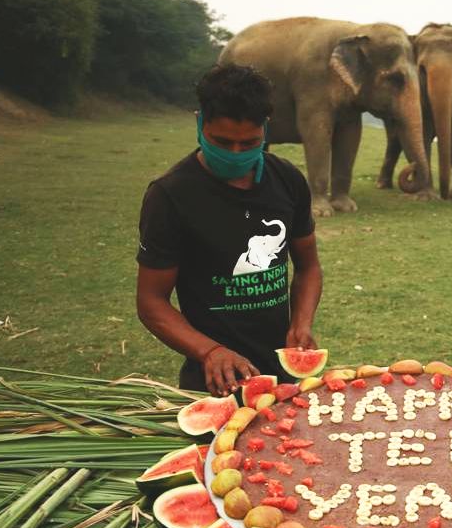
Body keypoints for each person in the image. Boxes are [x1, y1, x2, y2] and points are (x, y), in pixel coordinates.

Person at [136, 64, 323, 396]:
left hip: (284, 378)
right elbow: (152, 301)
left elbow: (308, 267)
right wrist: (209, 351)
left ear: (265, 129)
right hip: (213, 381)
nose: (235, 154)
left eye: (249, 143)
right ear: (199, 123)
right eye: (222, 142)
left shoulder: (288, 180)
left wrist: (301, 323)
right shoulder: (170, 195)